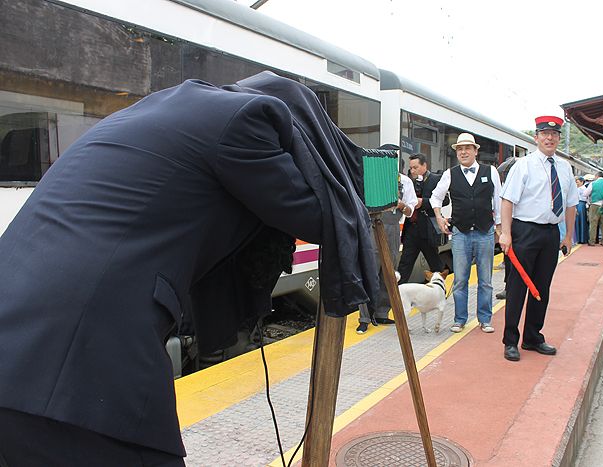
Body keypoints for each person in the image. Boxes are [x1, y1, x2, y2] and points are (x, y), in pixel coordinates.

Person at [0, 72, 379, 465]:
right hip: (75, 361)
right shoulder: (248, 119)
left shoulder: (148, 111)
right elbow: (320, 215)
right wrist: (358, 187)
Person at [499, 115, 578, 362]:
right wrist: (506, 233)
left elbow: (571, 204)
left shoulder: (565, 168)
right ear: (536, 137)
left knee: (541, 287)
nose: (550, 138)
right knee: (517, 288)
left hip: (550, 233)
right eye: (545, 134)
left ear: (558, 139)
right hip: (525, 231)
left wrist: (568, 236)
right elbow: (507, 200)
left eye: (554, 135)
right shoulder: (523, 165)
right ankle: (510, 340)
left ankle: (533, 337)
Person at [431, 132, 501, 334]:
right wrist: (439, 217)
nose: (463, 152)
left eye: (467, 148)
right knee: (460, 279)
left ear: (475, 151)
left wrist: (499, 228)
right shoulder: (450, 173)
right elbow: (436, 198)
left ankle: (485, 319)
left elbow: (497, 199)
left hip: (484, 231)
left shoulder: (491, 171)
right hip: (460, 233)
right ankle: (460, 319)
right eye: (460, 149)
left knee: (485, 280)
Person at [357, 147, 418, 334]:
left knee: (388, 272)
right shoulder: (371, 177)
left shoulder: (405, 181)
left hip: (392, 229)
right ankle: (364, 318)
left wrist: (402, 205)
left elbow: (411, 210)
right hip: (371, 227)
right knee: (369, 271)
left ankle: (383, 312)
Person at [397, 153, 446, 284]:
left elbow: (445, 200)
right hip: (411, 229)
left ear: (424, 165)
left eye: (415, 167)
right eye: (411, 168)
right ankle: (398, 296)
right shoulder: (408, 181)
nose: (412, 171)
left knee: (435, 264)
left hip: (428, 230)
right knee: (404, 265)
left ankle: (440, 291)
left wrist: (423, 202)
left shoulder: (436, 179)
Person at [494, 152, 526, 300]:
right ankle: (510, 287)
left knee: (514, 259)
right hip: (511, 226)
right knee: (509, 258)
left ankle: (512, 287)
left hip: (519, 225)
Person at [585, 171, 603, 246]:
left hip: (595, 205)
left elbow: (585, 193)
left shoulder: (593, 183)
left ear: (596, 176)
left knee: (593, 223)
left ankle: (592, 241)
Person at [574, 176, 589, 244]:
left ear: (582, 182)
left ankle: (580, 238)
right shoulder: (582, 188)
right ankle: (581, 238)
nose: (576, 183)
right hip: (580, 204)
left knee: (579, 221)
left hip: (580, 204)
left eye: (577, 182)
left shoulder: (581, 188)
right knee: (580, 221)